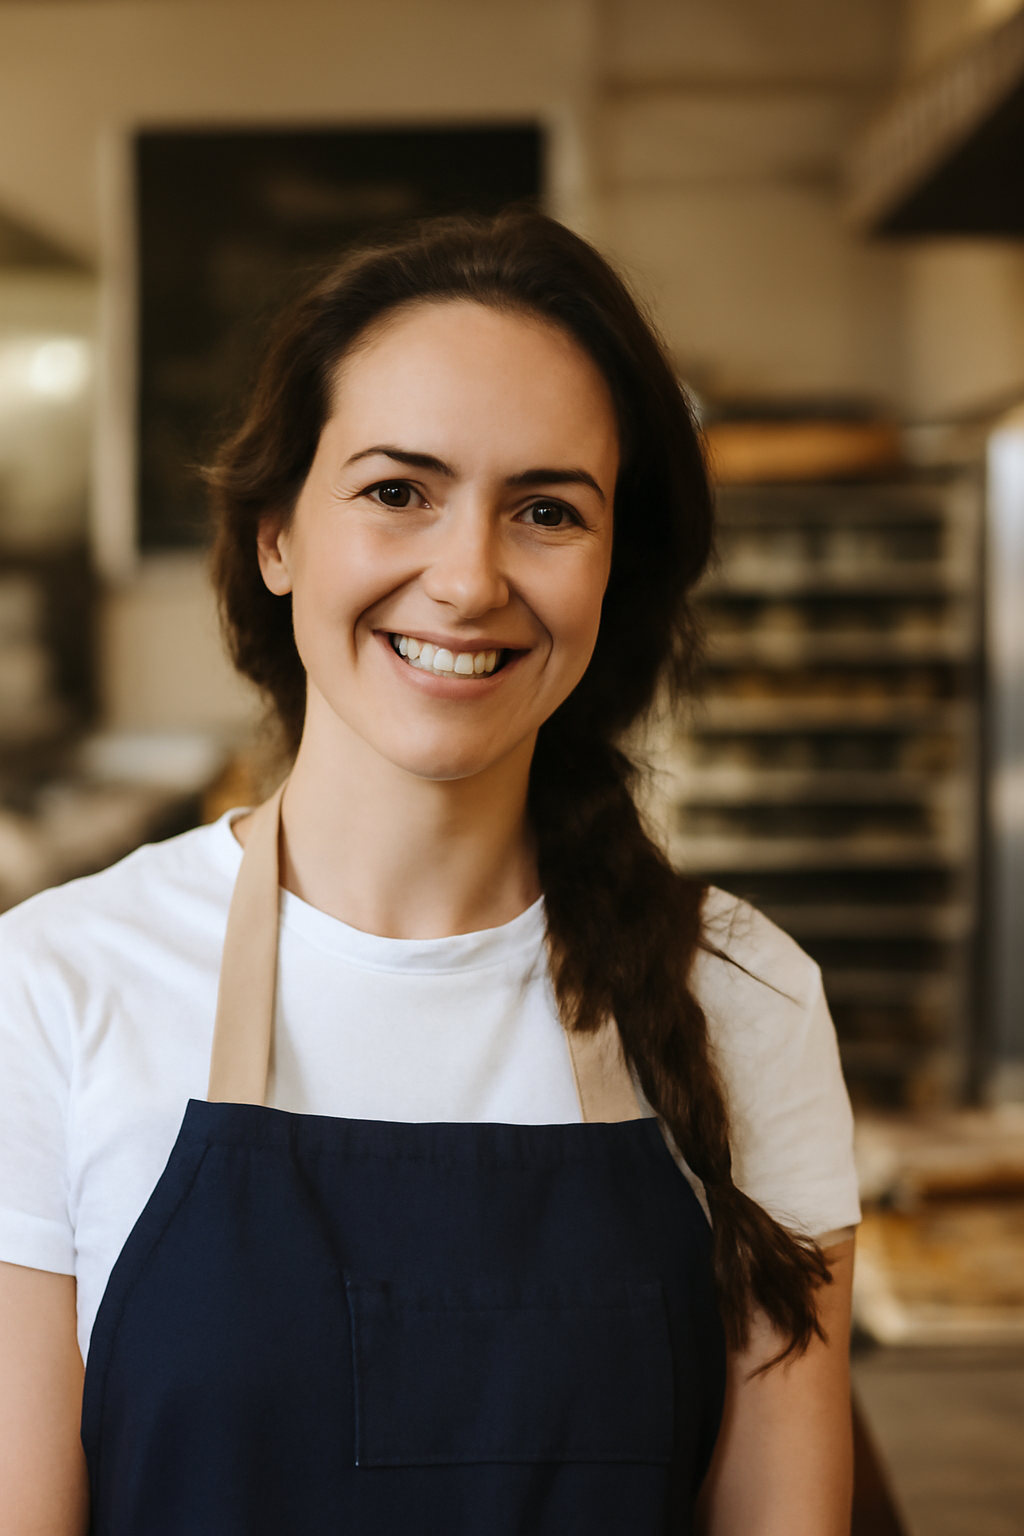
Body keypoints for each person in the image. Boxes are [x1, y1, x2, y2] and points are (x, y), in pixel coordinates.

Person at [0, 210, 860, 1535]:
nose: (467, 581)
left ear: (613, 568)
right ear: (277, 536)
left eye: (547, 511)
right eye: (398, 491)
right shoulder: (55, 987)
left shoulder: (744, 996)